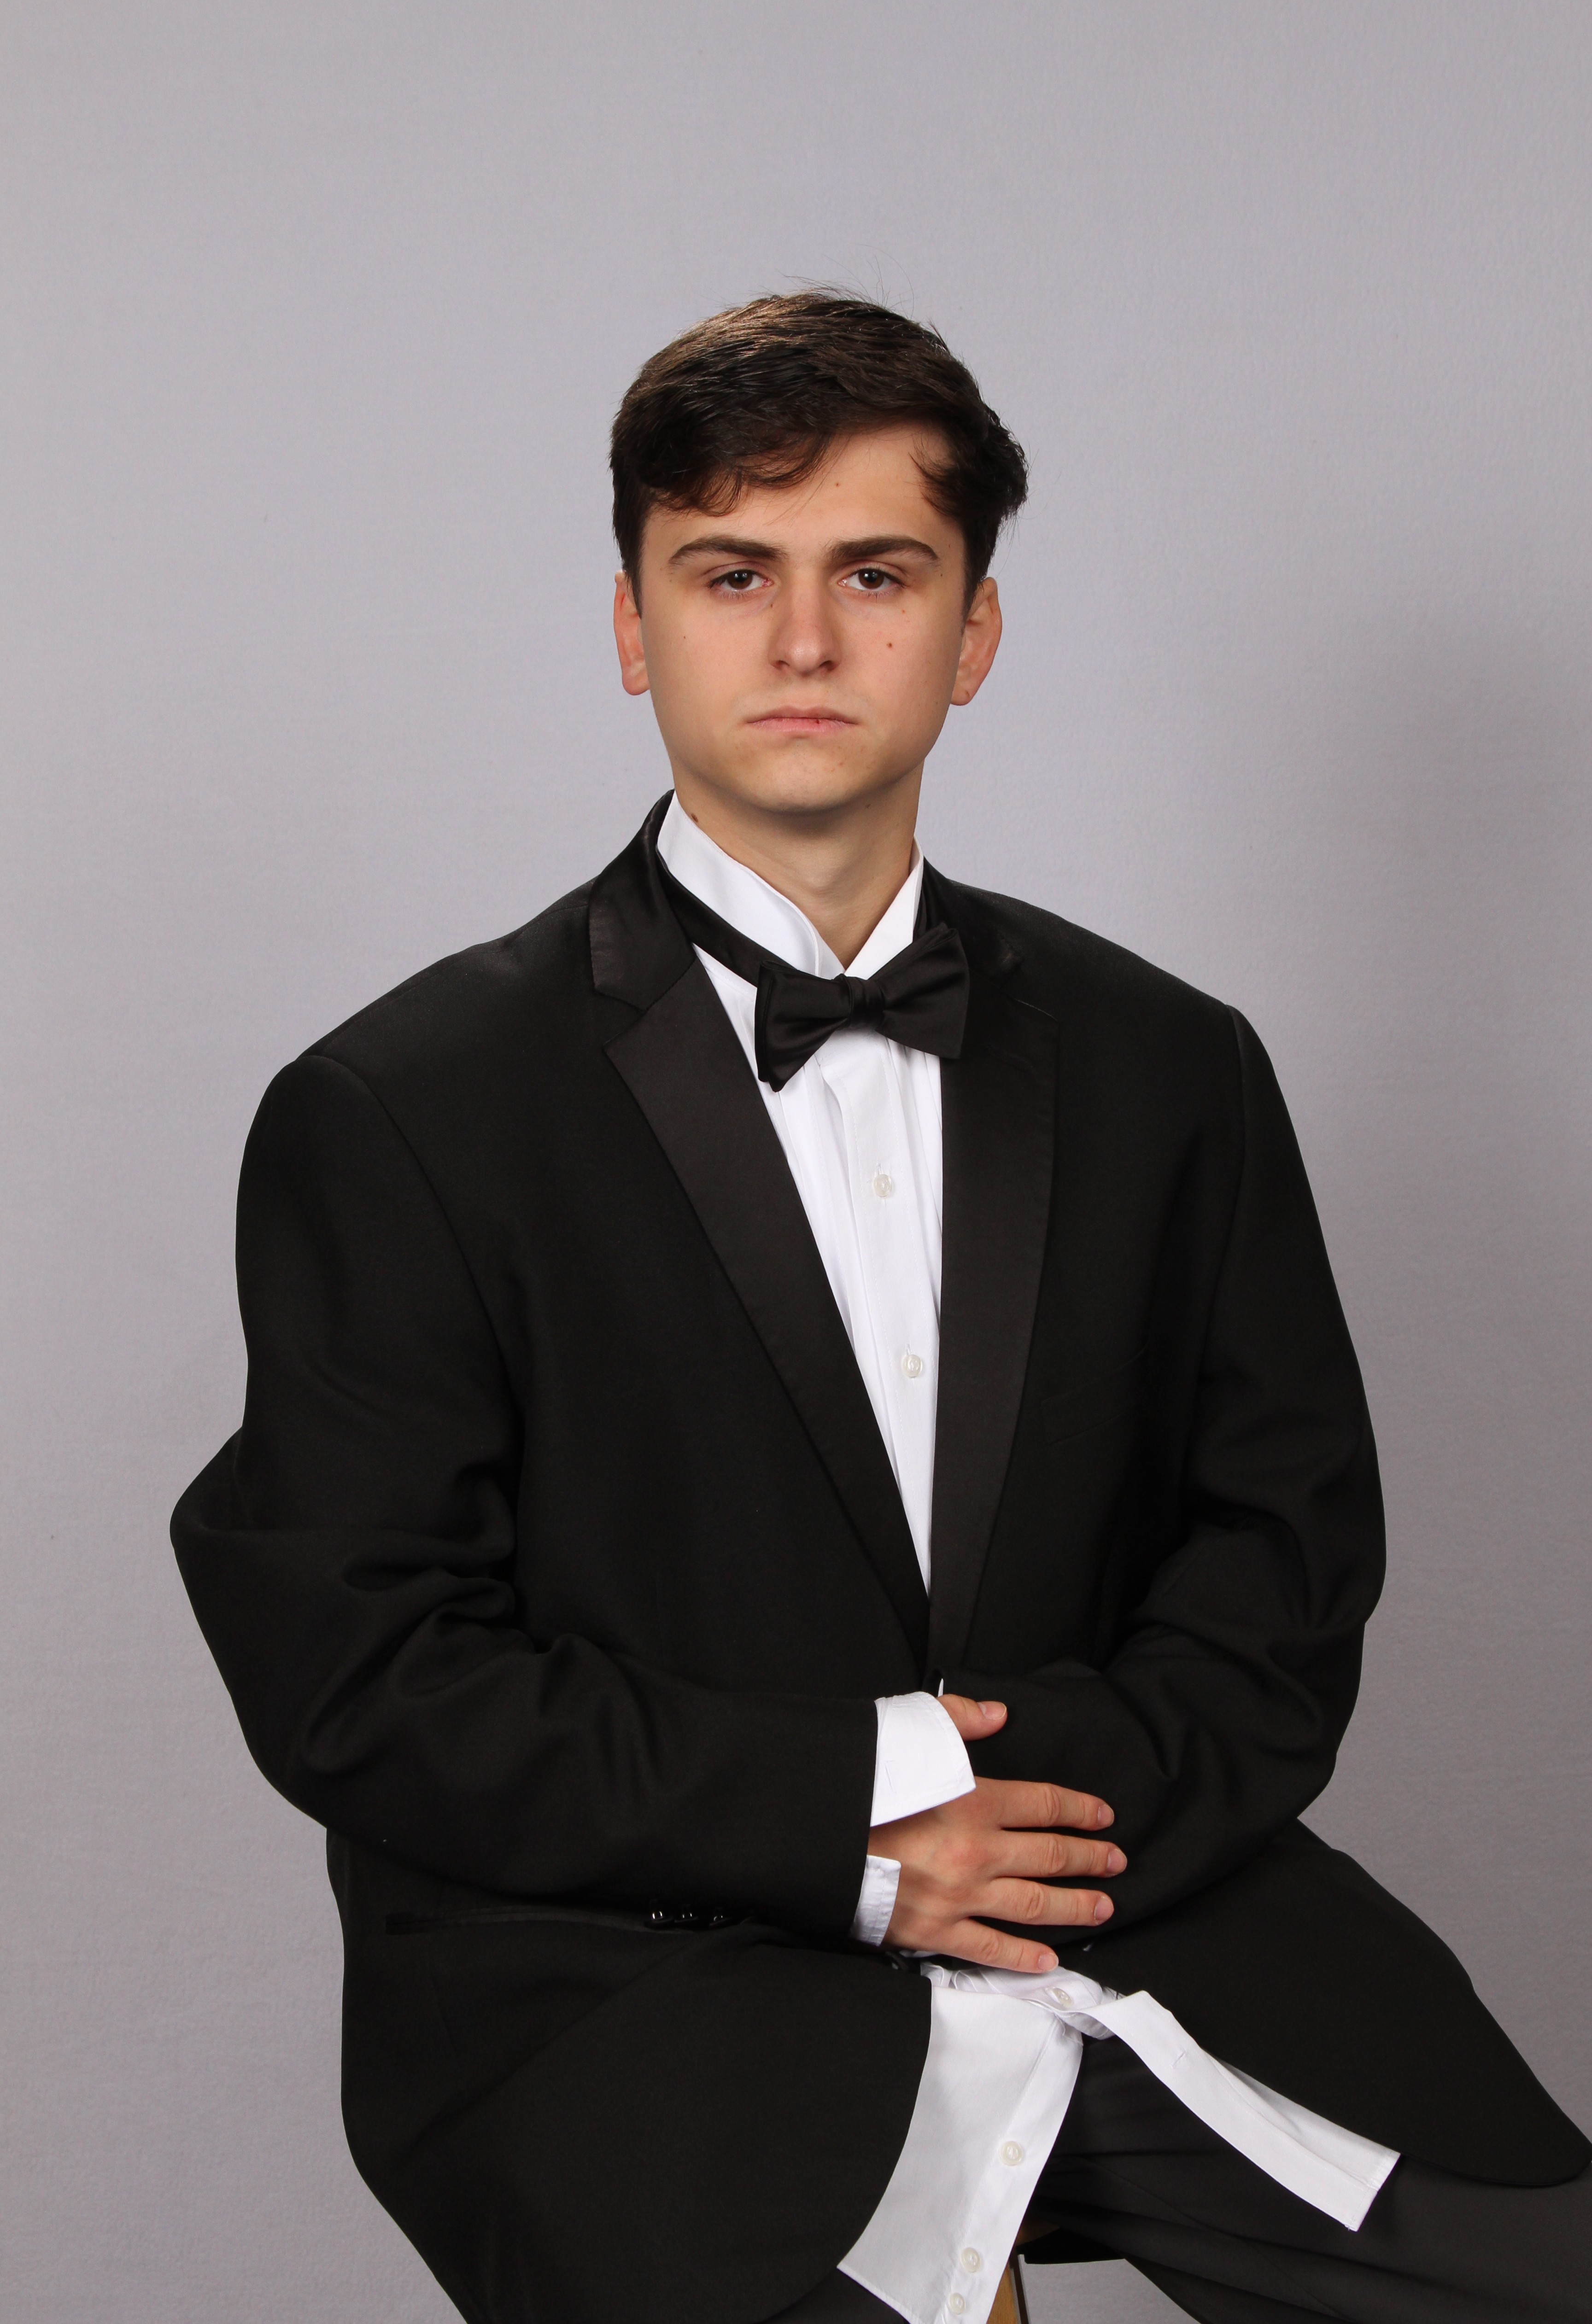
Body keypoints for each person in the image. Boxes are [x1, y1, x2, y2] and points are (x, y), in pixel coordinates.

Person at [172, 292, 1589, 2324]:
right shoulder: (401, 1109)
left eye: (878, 574)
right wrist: (853, 1823)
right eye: (731, 574)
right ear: (634, 626)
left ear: (973, 632)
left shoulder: (1175, 1065)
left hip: (1123, 1906)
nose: (805, 642)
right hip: (634, 1986)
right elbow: (365, 1672)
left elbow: (1284, 1567)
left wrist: (1025, 1824)